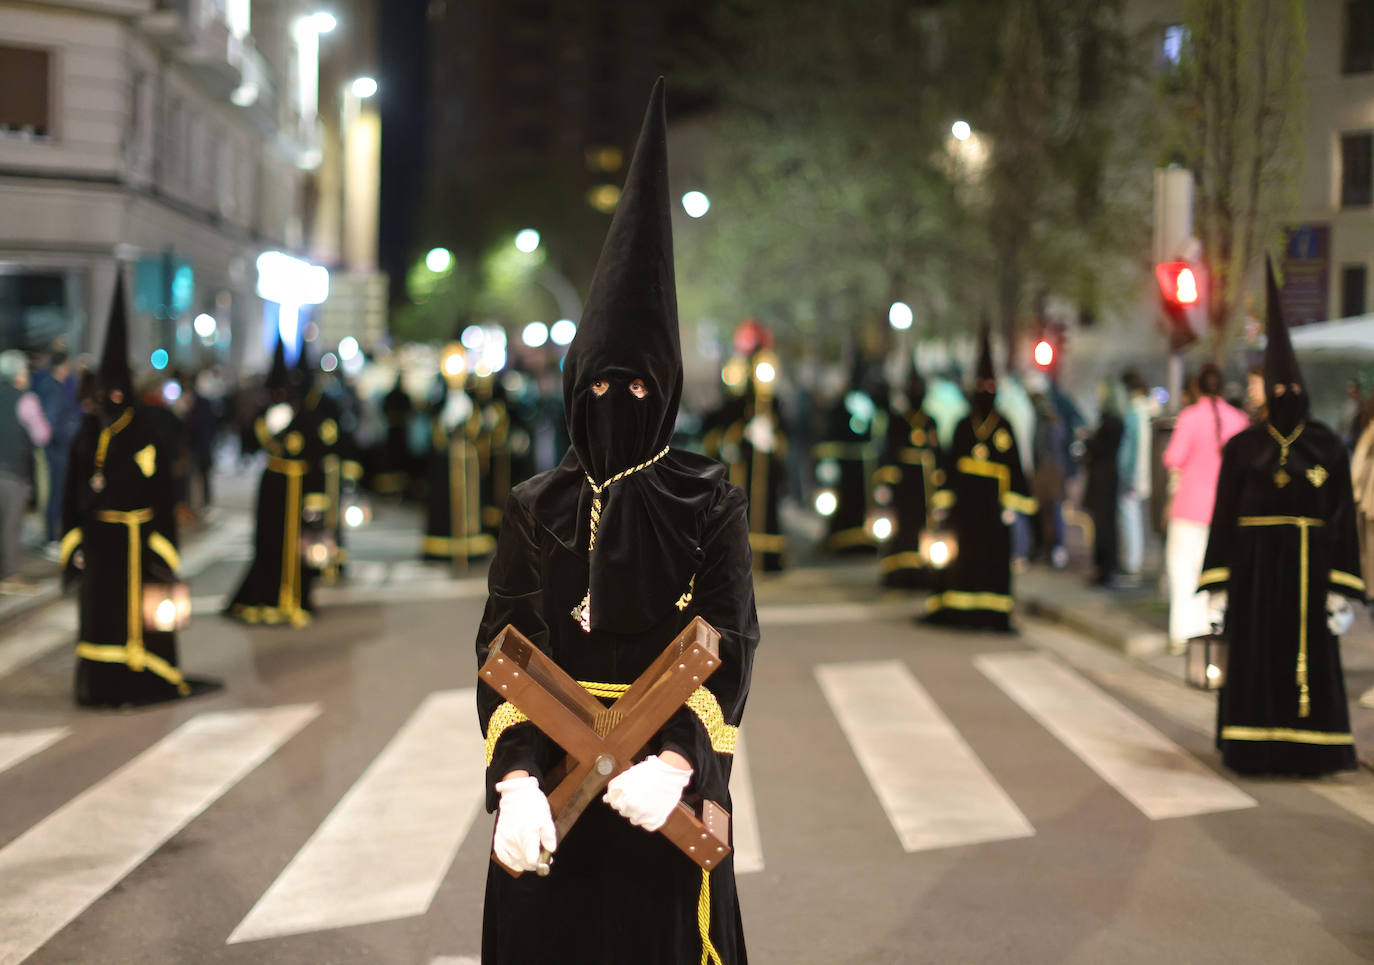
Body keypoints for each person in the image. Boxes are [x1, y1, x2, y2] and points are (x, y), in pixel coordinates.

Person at [476, 79, 755, 964]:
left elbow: (733, 636)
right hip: (553, 789)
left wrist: (674, 763)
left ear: (665, 390)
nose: (615, 401)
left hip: (655, 796)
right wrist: (516, 779)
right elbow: (503, 642)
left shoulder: (707, 497)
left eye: (636, 385)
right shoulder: (534, 505)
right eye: (597, 382)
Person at [1199, 260, 1360, 776]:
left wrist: (1341, 587)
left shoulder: (1326, 446)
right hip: (1253, 576)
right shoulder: (1243, 449)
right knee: (1254, 653)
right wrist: (1218, 583)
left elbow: (1341, 518)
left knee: (1306, 662)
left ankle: (1309, 748)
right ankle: (1254, 745)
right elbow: (1224, 517)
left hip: (1309, 578)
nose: (1256, 391)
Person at [62, 276, 192, 705]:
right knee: (100, 615)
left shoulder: (145, 434)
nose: (113, 396)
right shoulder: (86, 433)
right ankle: (102, 683)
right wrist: (74, 542)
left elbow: (161, 495)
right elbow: (72, 492)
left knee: (139, 615)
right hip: (101, 543)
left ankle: (140, 679)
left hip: (137, 540)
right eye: (107, 390)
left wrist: (161, 547)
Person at [924, 326, 1035, 631]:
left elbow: (1015, 468)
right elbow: (949, 467)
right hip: (966, 511)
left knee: (993, 561)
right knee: (963, 561)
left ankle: (993, 611)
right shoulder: (962, 426)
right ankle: (961, 610)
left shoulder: (1004, 426)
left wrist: (1014, 506)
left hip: (994, 513)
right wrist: (943, 503)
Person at [224, 339, 317, 627]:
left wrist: (315, 499)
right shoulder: (265, 418)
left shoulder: (305, 419)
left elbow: (314, 455)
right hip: (274, 487)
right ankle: (267, 597)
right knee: (269, 541)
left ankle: (293, 597)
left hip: (297, 486)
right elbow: (251, 442)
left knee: (297, 545)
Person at [1160, 364, 1248, 653]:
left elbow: (1173, 458)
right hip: (1226, 509)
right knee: (1218, 572)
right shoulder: (1239, 419)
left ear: (1197, 387)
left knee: (1184, 571)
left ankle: (1184, 633)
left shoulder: (1189, 417)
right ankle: (1214, 627)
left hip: (1188, 508)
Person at [874, 368, 940, 587]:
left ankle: (923, 569)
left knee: (924, 527)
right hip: (904, 485)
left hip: (924, 484)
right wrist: (887, 483)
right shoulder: (898, 420)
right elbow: (889, 452)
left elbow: (937, 453)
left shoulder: (930, 422)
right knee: (901, 527)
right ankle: (899, 571)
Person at [0, 350, 50, 592]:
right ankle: (9, 575)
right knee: (11, 524)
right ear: (19, 375)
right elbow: (42, 435)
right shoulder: (26, 400)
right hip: (13, 470)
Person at [34, 349, 80, 551]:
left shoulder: (55, 387)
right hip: (58, 450)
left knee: (59, 491)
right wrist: (62, 438)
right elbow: (51, 422)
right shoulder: (53, 389)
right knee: (57, 492)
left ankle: (55, 535)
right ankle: (52, 537)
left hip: (59, 448)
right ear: (62, 366)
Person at [1117, 368, 1157, 585]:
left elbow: (1134, 447)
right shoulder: (1148, 408)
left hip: (1133, 474)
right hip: (1142, 472)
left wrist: (1130, 474)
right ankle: (1134, 561)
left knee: (1130, 518)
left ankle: (1132, 564)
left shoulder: (1135, 411)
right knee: (1135, 519)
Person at [1084, 381, 1124, 587]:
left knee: (1103, 526)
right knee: (1106, 524)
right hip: (1107, 477)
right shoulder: (1115, 422)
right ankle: (1106, 566)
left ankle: (1105, 568)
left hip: (1103, 479)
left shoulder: (1110, 423)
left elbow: (1100, 448)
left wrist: (1088, 441)